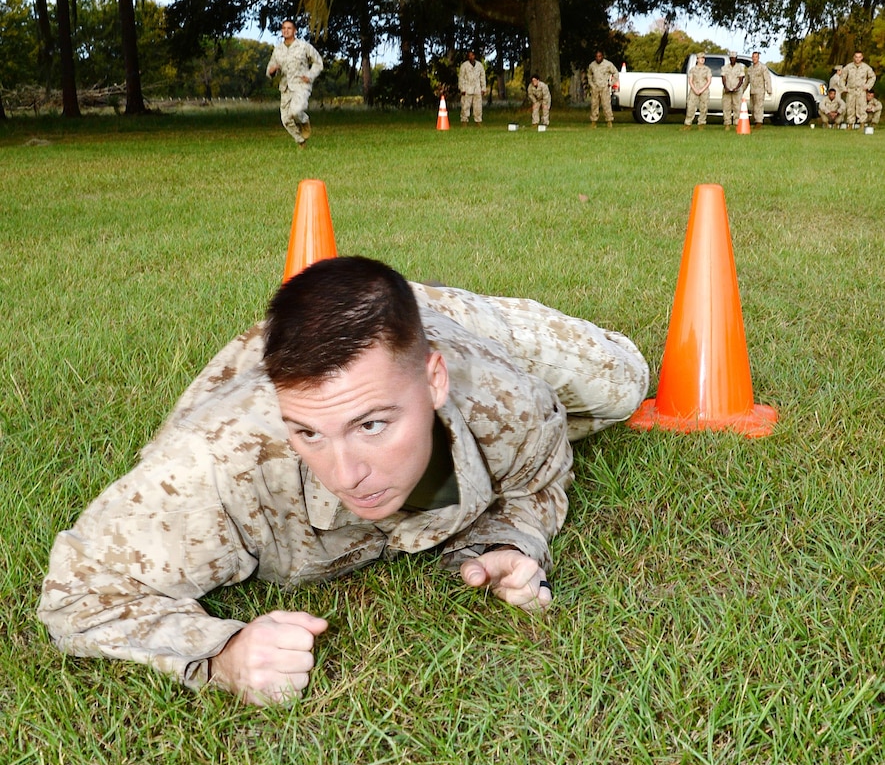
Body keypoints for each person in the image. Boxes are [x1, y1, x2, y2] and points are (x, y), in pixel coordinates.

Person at [38, 256, 649, 707]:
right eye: (310, 435)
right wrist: (221, 655)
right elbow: (78, 593)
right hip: (288, 378)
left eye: (373, 425)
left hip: (454, 325)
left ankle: (410, 310)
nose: (347, 472)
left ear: (434, 382)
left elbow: (540, 477)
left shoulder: (505, 401)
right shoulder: (220, 465)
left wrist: (512, 542)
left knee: (624, 384)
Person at [266, 19, 324, 147]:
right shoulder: (278, 50)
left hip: (301, 85)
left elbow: (318, 62)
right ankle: (301, 141)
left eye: (289, 28)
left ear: (295, 31)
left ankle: (304, 120)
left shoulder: (303, 46)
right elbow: (270, 70)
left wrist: (310, 75)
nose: (286, 31)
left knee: (296, 111)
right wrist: (272, 71)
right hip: (285, 87)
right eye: (284, 28)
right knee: (286, 119)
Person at [840, 52, 876, 127]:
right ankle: (850, 124)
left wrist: (867, 86)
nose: (857, 59)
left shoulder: (866, 67)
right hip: (851, 90)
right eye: (856, 57)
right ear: (853, 57)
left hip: (861, 91)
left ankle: (862, 124)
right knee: (850, 108)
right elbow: (842, 78)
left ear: (862, 57)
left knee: (862, 108)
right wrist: (844, 88)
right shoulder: (848, 67)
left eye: (859, 57)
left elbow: (872, 77)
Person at [586, 50, 619, 128]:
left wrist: (610, 83)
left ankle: (609, 121)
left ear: (602, 56)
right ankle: (593, 121)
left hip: (604, 87)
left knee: (606, 104)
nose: (598, 58)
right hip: (595, 87)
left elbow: (616, 73)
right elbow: (589, 75)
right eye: (597, 56)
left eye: (600, 56)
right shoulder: (592, 65)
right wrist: (591, 84)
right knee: (594, 105)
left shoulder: (608, 64)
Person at [682, 52, 712, 130]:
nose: (702, 60)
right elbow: (690, 80)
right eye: (700, 58)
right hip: (694, 89)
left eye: (703, 58)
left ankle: (701, 124)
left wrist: (702, 89)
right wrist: (695, 89)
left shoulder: (707, 69)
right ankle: (688, 124)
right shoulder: (693, 69)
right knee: (691, 106)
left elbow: (709, 81)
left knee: (704, 107)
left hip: (704, 90)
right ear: (697, 59)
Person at [743, 52, 772, 129]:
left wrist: (769, 89)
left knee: (758, 107)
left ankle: (759, 122)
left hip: (760, 91)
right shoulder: (750, 69)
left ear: (758, 58)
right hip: (752, 91)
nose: (754, 58)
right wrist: (741, 90)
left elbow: (767, 78)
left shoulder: (763, 67)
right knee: (752, 107)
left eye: (756, 57)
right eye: (753, 57)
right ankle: (755, 121)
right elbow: (746, 81)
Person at [458, 50, 487, 126]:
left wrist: (483, 88)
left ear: (474, 56)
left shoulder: (479, 65)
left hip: (477, 88)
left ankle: (478, 121)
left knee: (478, 107)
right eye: (469, 56)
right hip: (467, 88)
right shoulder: (464, 65)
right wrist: (462, 88)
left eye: (472, 55)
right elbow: (461, 78)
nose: (471, 57)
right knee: (465, 106)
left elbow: (482, 77)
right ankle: (464, 121)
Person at [721, 51, 746, 131]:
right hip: (727, 90)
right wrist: (726, 87)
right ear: (729, 58)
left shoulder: (740, 67)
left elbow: (741, 79)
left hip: (737, 91)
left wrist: (736, 88)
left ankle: (737, 124)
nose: (732, 59)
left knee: (737, 107)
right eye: (731, 58)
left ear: (736, 58)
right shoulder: (725, 67)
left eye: (734, 58)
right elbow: (723, 78)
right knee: (726, 107)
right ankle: (727, 124)